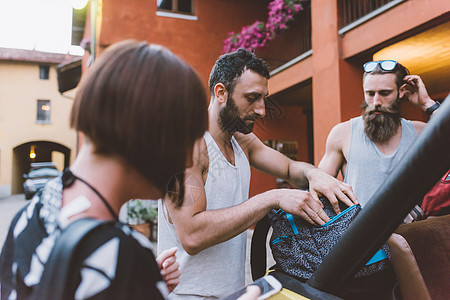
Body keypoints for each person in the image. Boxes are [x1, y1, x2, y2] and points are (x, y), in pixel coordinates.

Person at [0, 40, 208, 299]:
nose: (188, 160)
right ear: (151, 132)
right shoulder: (125, 259)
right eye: (188, 139)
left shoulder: (29, 216)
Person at [158, 48, 357, 299]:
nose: (262, 110)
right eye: (252, 98)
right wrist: (271, 198)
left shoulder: (241, 141)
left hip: (232, 292)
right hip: (187, 295)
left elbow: (289, 169)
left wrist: (315, 174)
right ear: (221, 93)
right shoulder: (188, 145)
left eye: (263, 98)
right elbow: (192, 235)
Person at [319, 60, 440, 207]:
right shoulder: (342, 133)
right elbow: (319, 188)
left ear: (401, 92)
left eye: (385, 93)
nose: (376, 101)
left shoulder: (419, 132)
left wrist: (427, 103)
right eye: (370, 94)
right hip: (363, 229)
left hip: (410, 229)